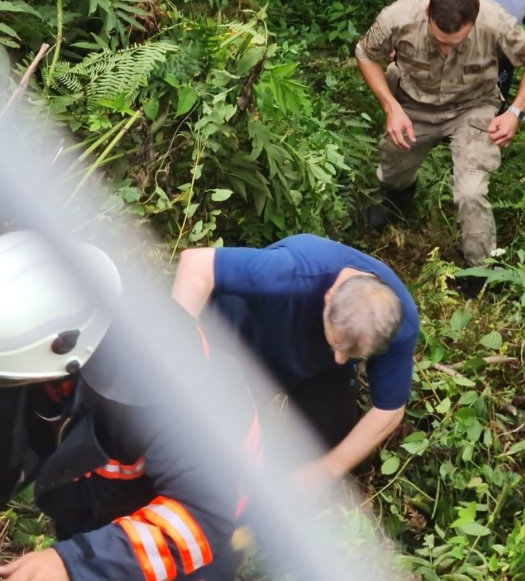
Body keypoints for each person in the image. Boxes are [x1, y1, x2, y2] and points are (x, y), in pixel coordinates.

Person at [0, 230, 255, 581]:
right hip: (99, 503)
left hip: (187, 538)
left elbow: (201, 519)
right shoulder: (42, 337)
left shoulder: (175, 390)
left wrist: (74, 563)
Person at [171, 233, 419, 489]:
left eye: (354, 355)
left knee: (333, 441)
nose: (340, 359)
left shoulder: (398, 324)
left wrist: (325, 470)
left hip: (313, 366)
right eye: (338, 346)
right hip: (243, 331)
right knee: (211, 426)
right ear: (329, 297)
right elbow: (196, 264)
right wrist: (180, 358)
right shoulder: (293, 271)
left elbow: (389, 411)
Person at [355, 0, 525, 290]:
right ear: (427, 12)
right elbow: (365, 53)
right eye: (439, 41)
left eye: (455, 43)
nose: (446, 49)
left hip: (473, 107)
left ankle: (481, 271)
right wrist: (391, 107)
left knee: (471, 191)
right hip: (413, 103)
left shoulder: (496, 21)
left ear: (474, 22)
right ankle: (398, 199)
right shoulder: (398, 17)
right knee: (393, 164)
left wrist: (514, 112)